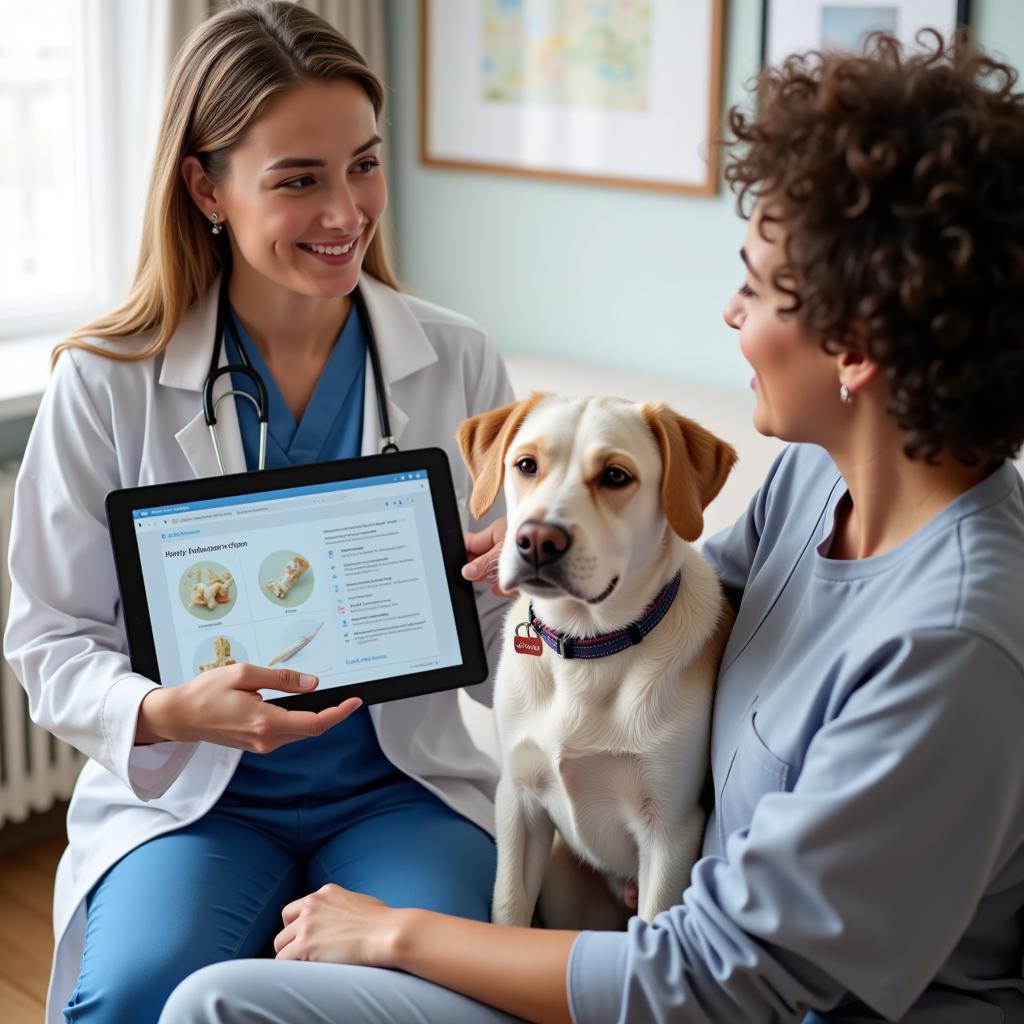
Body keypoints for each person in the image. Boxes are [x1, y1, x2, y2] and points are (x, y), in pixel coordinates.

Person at [159, 29, 1024, 1024]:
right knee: (212, 995)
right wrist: (531, 569)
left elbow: (715, 981)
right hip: (650, 944)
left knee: (220, 1008)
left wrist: (399, 933)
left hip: (710, 995)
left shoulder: (950, 644)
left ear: (856, 346)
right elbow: (670, 597)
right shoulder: (810, 486)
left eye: (753, 284)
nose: (729, 315)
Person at [1, 4, 515, 1023]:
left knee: (426, 993)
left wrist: (526, 594)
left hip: (400, 789)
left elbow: (503, 642)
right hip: (198, 797)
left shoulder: (456, 360)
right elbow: (50, 636)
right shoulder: (107, 382)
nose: (347, 210)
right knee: (137, 995)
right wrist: (164, 710)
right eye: (298, 179)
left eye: (363, 166)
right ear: (206, 186)